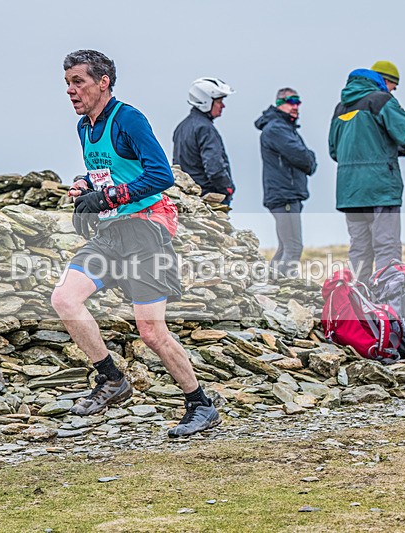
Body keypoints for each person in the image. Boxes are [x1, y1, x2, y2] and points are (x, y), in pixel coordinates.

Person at [52, 49, 220, 437]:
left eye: (78, 82)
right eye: (66, 84)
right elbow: (106, 173)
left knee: (151, 332)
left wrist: (107, 198)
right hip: (110, 234)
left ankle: (200, 405)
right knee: (64, 299)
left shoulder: (129, 118)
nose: (70, 91)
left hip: (146, 230)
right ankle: (111, 379)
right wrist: (85, 188)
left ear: (103, 82)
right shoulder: (84, 126)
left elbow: (160, 175)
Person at [328, 65, 405, 281]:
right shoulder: (381, 100)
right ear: (382, 82)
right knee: (386, 249)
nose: (393, 91)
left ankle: (358, 307)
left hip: (350, 192)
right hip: (380, 188)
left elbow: (334, 151)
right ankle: (387, 308)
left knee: (359, 251)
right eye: (393, 86)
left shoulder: (340, 107)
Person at [254, 88, 317, 277]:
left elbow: (305, 158)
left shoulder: (283, 128)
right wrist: (310, 157)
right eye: (291, 101)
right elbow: (304, 157)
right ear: (279, 103)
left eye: (298, 102)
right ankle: (283, 288)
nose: (295, 106)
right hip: (284, 196)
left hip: (285, 195)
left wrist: (309, 158)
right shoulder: (277, 129)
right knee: (294, 246)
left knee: (285, 247)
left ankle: (271, 287)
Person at [172, 77, 236, 205]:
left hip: (187, 198)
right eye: (219, 101)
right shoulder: (205, 128)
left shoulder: (181, 127)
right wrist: (227, 188)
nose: (223, 106)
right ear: (206, 101)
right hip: (208, 197)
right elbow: (214, 167)